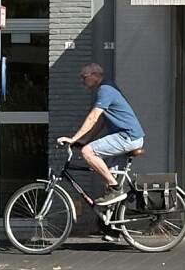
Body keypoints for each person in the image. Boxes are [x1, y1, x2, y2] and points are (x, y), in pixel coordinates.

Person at [58, 62, 145, 206]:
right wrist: (85, 139)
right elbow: (101, 121)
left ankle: (115, 188)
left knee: (87, 152)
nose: (81, 80)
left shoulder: (105, 90)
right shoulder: (105, 89)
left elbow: (92, 118)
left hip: (127, 136)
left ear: (96, 75)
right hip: (128, 137)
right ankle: (111, 217)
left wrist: (73, 139)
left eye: (84, 77)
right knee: (106, 176)